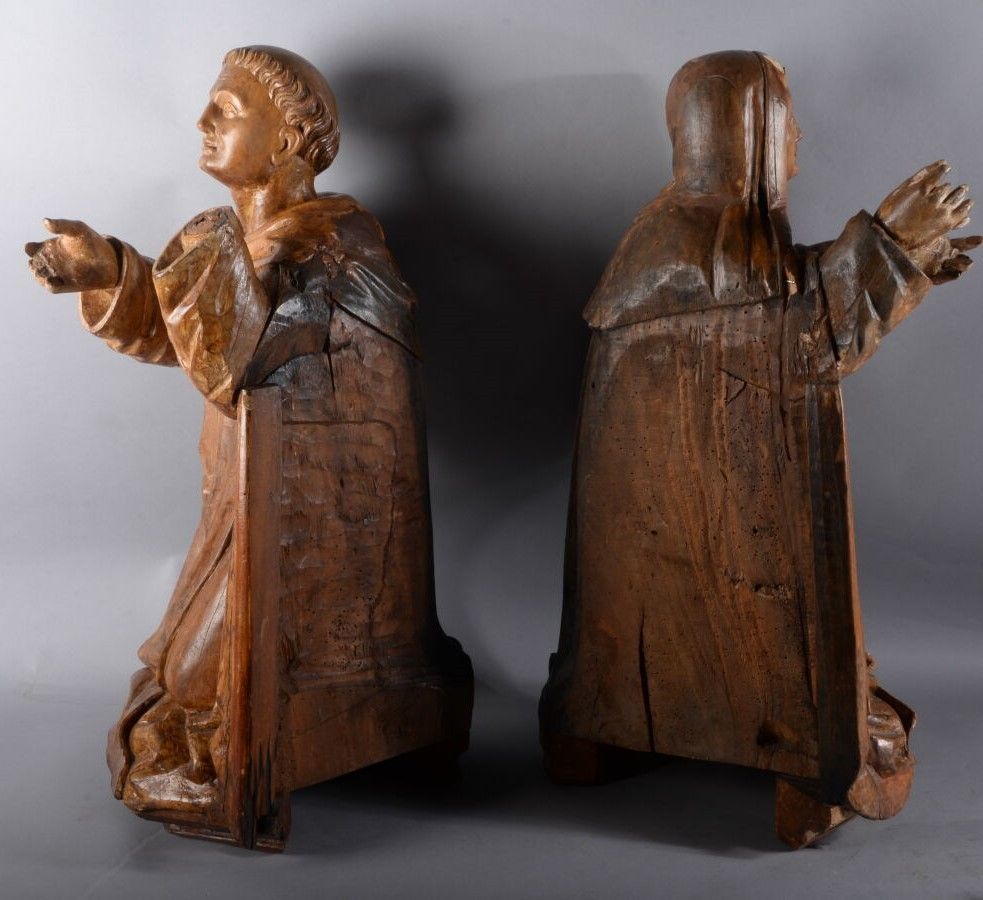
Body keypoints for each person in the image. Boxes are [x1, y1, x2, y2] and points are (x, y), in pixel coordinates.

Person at [26, 46, 471, 837]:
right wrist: (111, 272)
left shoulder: (333, 245)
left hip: (314, 511)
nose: (202, 120)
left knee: (193, 684)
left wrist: (167, 273)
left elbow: (244, 355)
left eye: (226, 110)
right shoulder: (260, 239)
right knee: (177, 678)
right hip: (240, 493)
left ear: (290, 139)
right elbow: (197, 336)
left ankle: (302, 739)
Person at [539, 50, 977, 847]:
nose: (799, 137)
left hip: (709, 507)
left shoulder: (689, 241)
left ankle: (655, 719)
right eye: (786, 120)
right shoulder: (683, 242)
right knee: (851, 717)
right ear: (746, 132)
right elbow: (799, 335)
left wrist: (901, 255)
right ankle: (780, 734)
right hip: (702, 514)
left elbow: (782, 303)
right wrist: (887, 242)